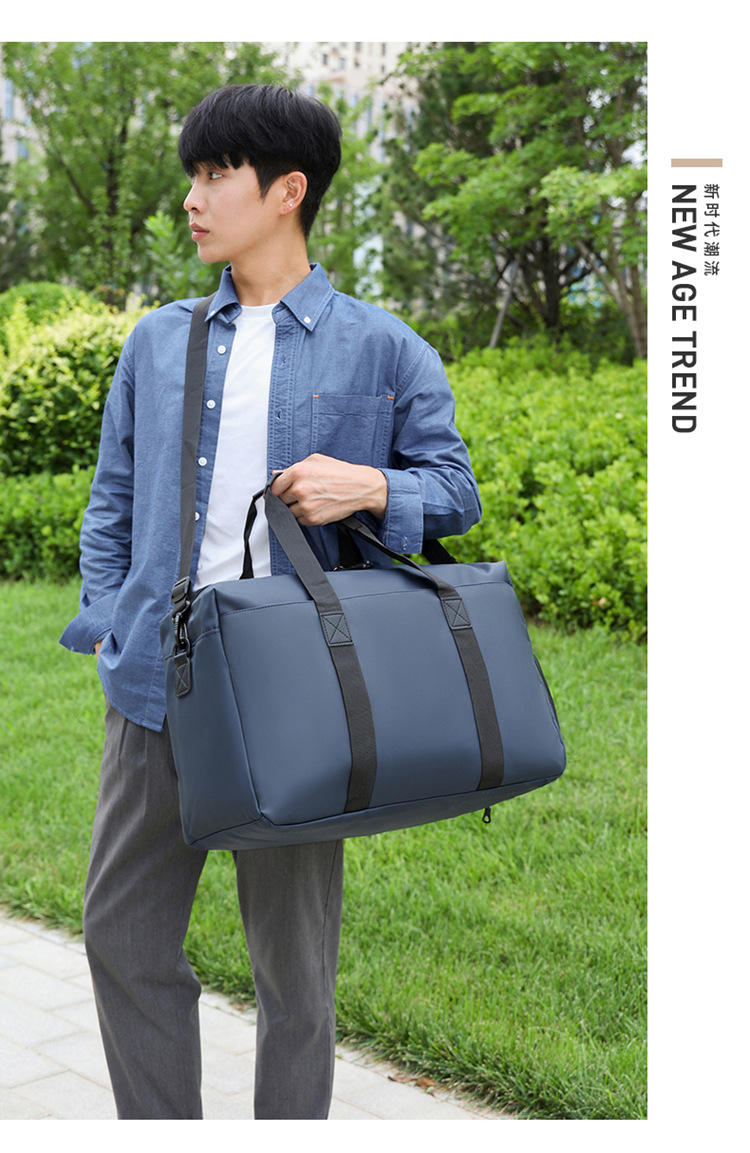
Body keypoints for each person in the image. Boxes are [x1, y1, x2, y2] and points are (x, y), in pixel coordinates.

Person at [60, 83, 481, 1120]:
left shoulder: (382, 346)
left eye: (217, 176)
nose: (193, 198)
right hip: (156, 684)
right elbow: (112, 498)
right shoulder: (156, 342)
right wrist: (108, 619)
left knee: (294, 971)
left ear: (288, 191)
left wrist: (370, 485)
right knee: (120, 933)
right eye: (193, 175)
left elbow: (456, 491)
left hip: (298, 694)